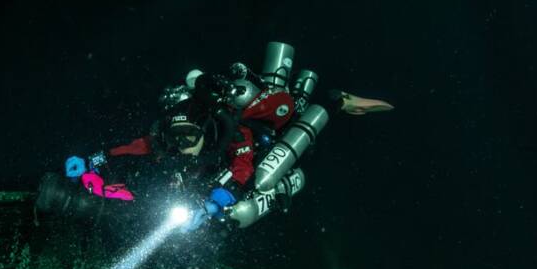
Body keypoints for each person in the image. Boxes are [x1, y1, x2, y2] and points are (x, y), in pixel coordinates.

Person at [61, 60, 393, 231]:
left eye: (189, 139)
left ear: (204, 131)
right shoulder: (174, 131)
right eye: (178, 140)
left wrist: (214, 205)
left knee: (261, 183)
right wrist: (97, 158)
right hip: (215, 154)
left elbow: (243, 169)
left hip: (271, 133)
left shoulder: (231, 133)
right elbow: (139, 146)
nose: (183, 146)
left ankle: (339, 102)